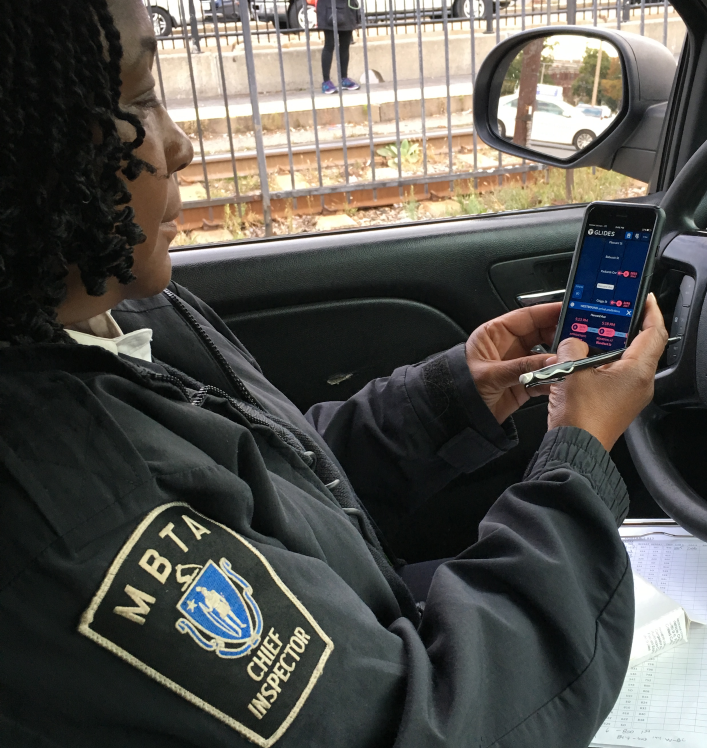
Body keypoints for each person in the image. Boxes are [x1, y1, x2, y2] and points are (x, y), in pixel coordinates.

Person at [0, 1, 669, 746]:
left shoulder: (107, 310)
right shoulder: (71, 526)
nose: (181, 144)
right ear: (27, 142)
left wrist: (452, 398)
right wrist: (578, 455)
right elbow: (433, 725)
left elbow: (267, 480)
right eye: (137, 98)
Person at [318, 0, 361, 94]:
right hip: (329, 6)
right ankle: (326, 82)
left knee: (345, 45)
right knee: (329, 44)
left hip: (347, 7)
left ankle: (344, 79)